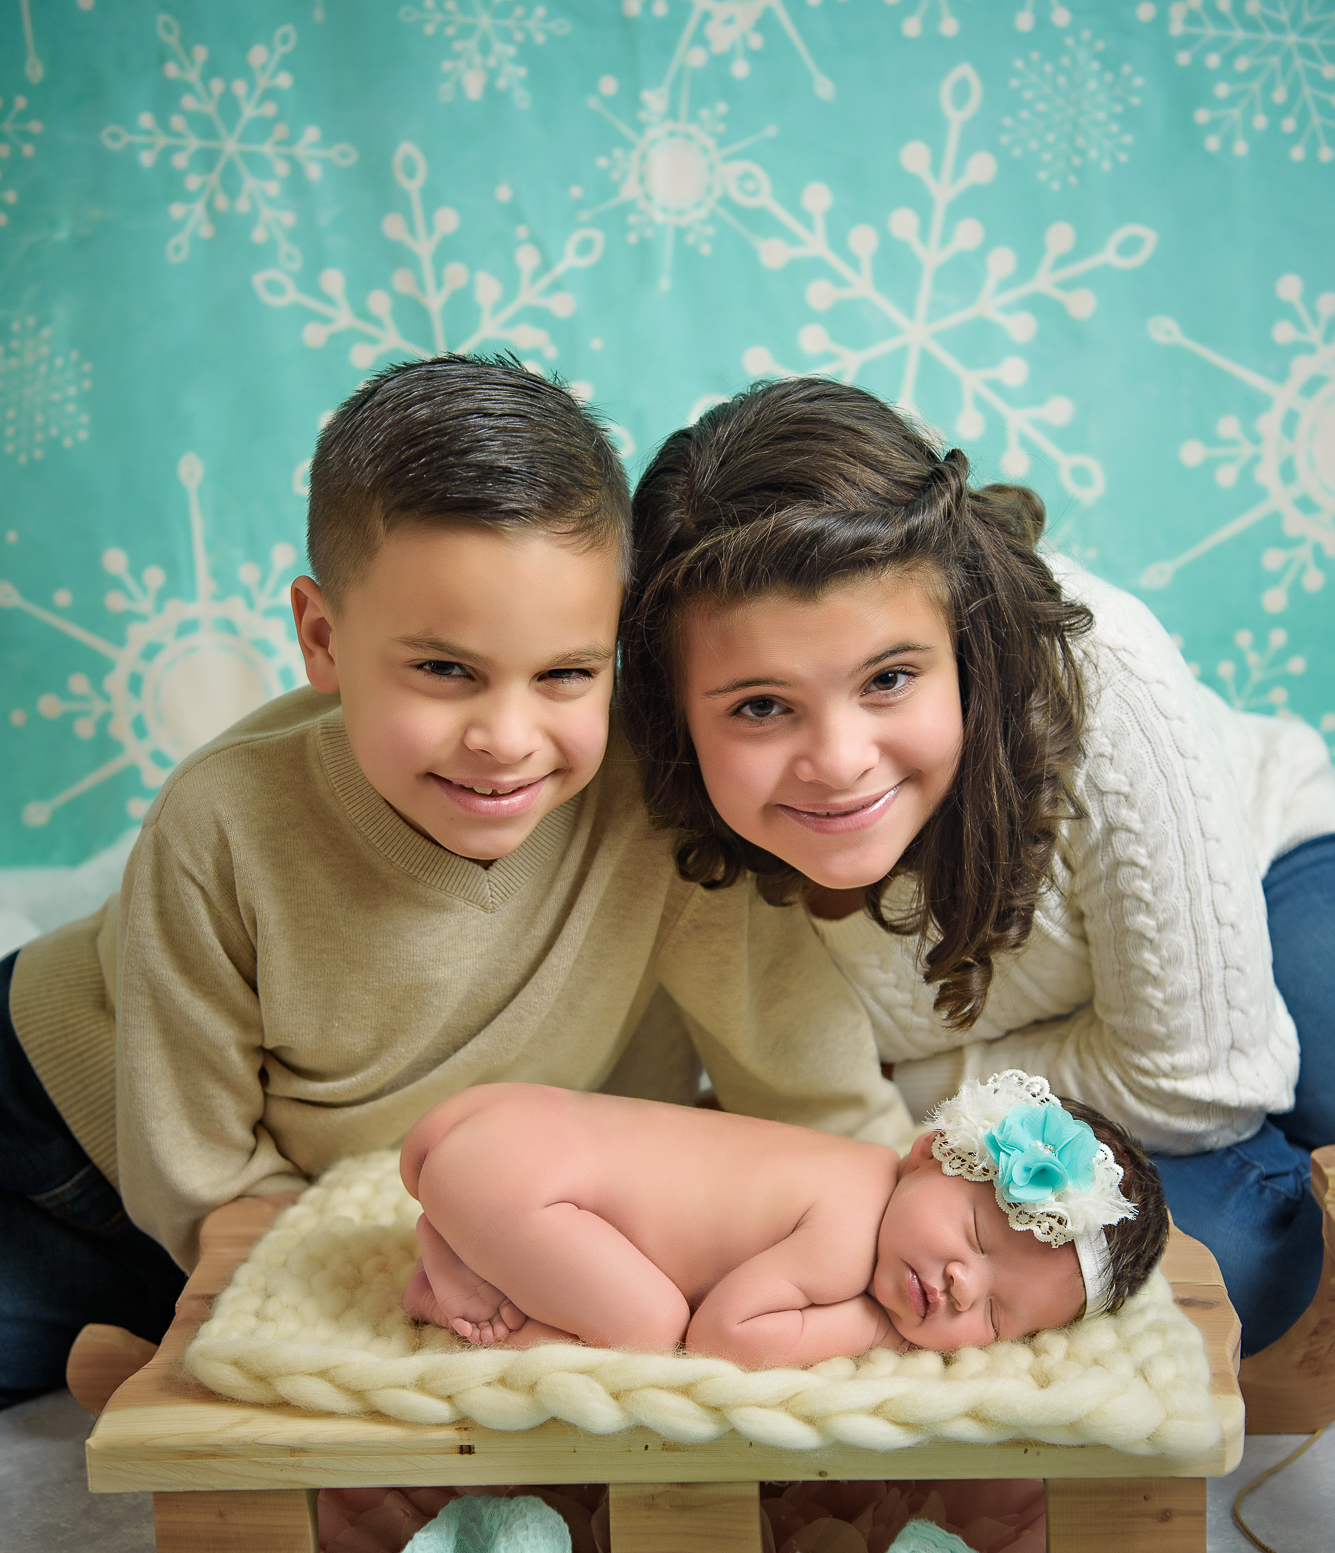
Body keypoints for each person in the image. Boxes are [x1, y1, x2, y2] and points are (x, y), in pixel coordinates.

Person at [0, 359, 909, 1407]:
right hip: (73, 1126)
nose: (506, 739)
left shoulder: (658, 799)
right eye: (445, 670)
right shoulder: (222, 820)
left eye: (567, 673)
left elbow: (814, 1102)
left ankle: (121, 1340)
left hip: (307, 1192)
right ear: (323, 638)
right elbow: (203, 1178)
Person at [618, 377, 1335, 1362]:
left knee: (1316, 1044)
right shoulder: (664, 808)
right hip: (1068, 1083)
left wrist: (909, 1086)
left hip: (1254, 869)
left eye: (889, 678)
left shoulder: (1096, 677)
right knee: (1244, 1254)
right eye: (758, 706)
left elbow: (1196, 1087)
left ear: (963, 638)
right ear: (675, 712)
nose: (839, 760)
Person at [399, 1071, 1164, 1363]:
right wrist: (874, 1327)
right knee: (649, 1327)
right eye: (973, 1238)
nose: (963, 1286)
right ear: (929, 1152)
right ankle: (465, 1287)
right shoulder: (841, 1236)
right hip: (513, 1177)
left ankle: (466, 1229)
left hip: (506, 1113)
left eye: (995, 1316)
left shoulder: (856, 1164)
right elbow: (723, 1336)